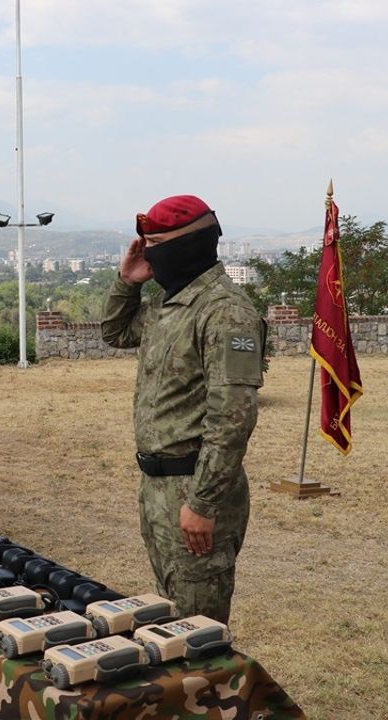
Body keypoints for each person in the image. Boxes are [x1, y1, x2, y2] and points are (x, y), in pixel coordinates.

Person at [99, 195, 265, 624]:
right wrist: (128, 281)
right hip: (157, 487)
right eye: (145, 244)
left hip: (194, 486)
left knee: (198, 629)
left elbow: (233, 418)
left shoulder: (225, 312)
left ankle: (209, 693)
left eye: (157, 243)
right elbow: (115, 332)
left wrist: (204, 502)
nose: (150, 253)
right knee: (171, 615)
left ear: (189, 245)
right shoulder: (167, 304)